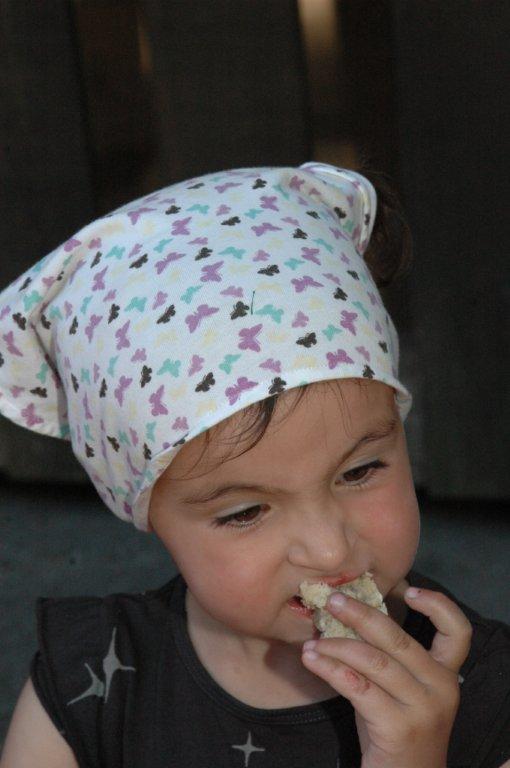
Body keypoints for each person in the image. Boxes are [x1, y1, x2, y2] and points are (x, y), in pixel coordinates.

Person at [0, 162, 508, 768]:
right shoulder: (90, 688)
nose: (328, 550)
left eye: (360, 471)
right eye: (245, 512)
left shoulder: (487, 696)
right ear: (149, 515)